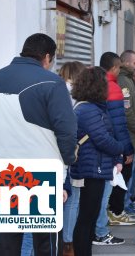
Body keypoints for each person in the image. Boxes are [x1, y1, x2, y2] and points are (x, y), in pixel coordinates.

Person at [0, 33, 77, 255]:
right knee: (46, 242)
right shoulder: (53, 83)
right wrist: (69, 160)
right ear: (47, 57)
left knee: (9, 241)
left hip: (5, 172)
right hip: (44, 172)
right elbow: (67, 131)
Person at [71, 67, 124, 256]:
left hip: (94, 167)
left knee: (89, 217)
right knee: (86, 218)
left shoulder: (90, 108)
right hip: (90, 169)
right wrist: (120, 149)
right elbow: (102, 139)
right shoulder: (89, 109)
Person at [93, 52, 134, 246]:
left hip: (90, 149)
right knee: (105, 192)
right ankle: (101, 231)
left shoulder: (91, 85)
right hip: (108, 149)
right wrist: (127, 150)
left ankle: (95, 229)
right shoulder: (113, 88)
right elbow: (119, 125)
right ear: (115, 68)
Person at [108, 50, 135, 225]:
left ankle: (120, 208)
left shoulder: (127, 80)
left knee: (127, 176)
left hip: (129, 136)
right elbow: (126, 112)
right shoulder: (123, 82)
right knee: (123, 176)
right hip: (126, 137)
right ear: (125, 63)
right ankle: (117, 211)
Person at [58, 61, 85, 256]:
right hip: (72, 155)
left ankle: (65, 241)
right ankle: (69, 243)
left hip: (57, 154)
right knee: (72, 200)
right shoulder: (77, 97)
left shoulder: (55, 92)